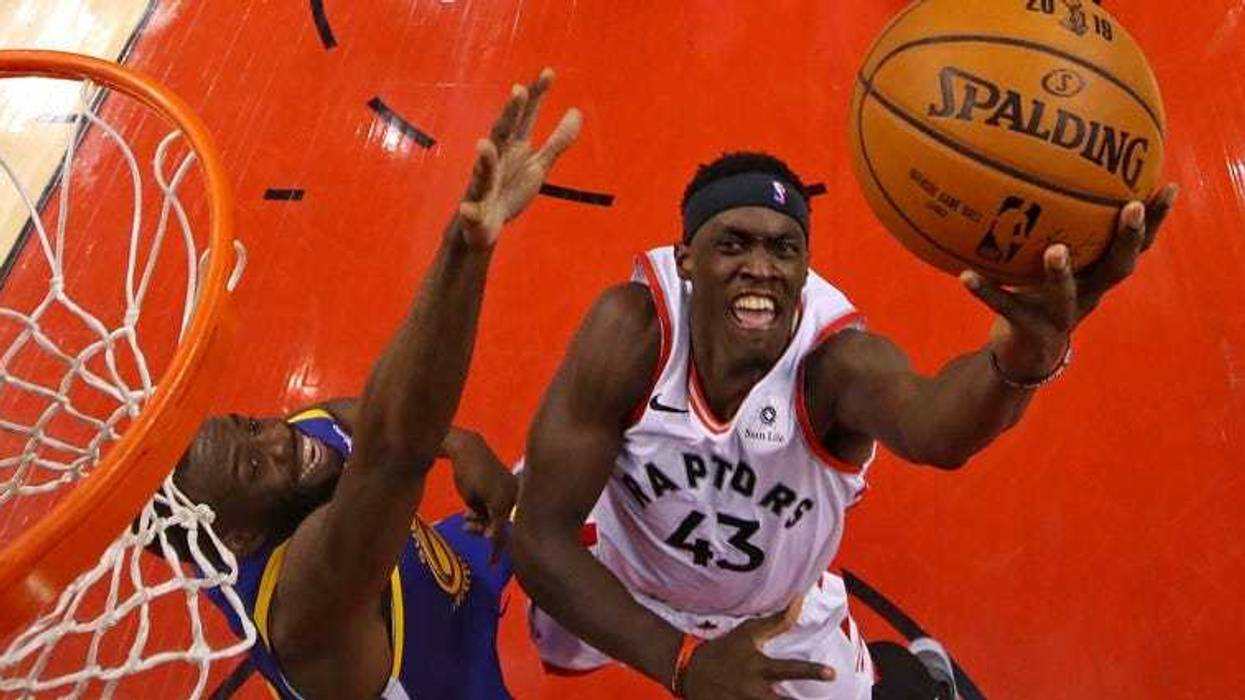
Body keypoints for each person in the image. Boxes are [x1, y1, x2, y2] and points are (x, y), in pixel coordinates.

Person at [512, 150, 1177, 700]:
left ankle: (921, 680)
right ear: (686, 261)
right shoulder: (633, 330)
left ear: (804, 268)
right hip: (626, 578)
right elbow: (540, 537)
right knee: (538, 608)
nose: (760, 268)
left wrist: (1023, 357)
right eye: (732, 244)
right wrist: (682, 662)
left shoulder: (835, 362)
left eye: (783, 249)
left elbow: (935, 430)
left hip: (774, 615)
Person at [167, 68, 581, 699]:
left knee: (576, 483)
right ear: (243, 537)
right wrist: (464, 249)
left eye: (250, 427)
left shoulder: (293, 454)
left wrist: (460, 441)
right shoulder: (306, 608)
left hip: (444, 579)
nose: (278, 441)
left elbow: (341, 415)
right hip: (452, 685)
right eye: (253, 469)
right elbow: (391, 449)